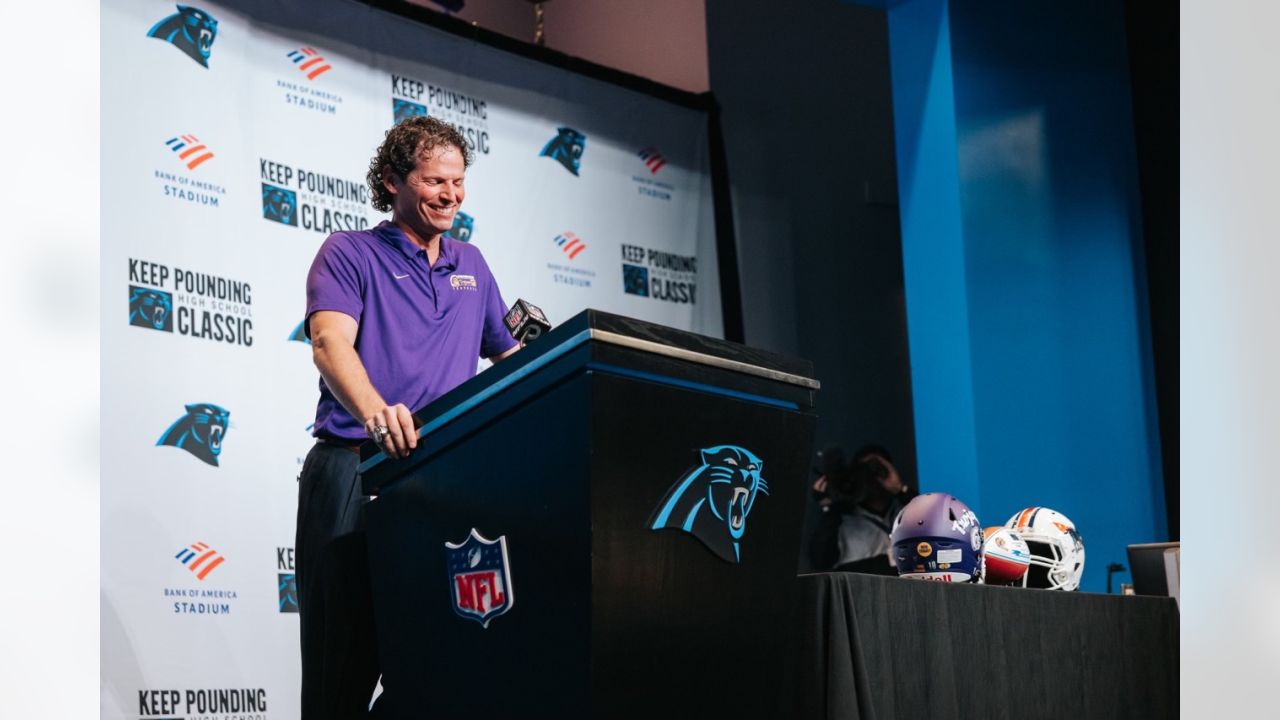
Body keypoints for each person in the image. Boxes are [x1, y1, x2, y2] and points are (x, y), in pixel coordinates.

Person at [295, 116, 518, 719]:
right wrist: (375, 414)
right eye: (435, 181)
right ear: (393, 181)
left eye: (459, 181)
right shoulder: (350, 253)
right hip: (354, 472)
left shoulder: (472, 263)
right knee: (337, 675)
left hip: (443, 488)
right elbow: (328, 344)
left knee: (435, 668)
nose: (451, 195)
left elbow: (515, 363)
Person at [808, 444, 914, 574]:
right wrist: (828, 507)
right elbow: (820, 562)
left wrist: (901, 489)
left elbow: (940, 532)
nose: (871, 478)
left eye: (877, 469)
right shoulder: (841, 525)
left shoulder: (912, 514)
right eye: (863, 471)